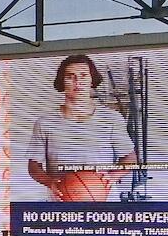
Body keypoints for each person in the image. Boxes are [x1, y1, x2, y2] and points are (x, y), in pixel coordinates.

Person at [24, 53, 137, 201]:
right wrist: (49, 181)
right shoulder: (45, 122)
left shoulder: (112, 118)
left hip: (104, 201)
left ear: (92, 80)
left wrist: (113, 175)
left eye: (83, 75)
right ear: (62, 82)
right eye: (70, 76)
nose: (77, 82)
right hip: (61, 202)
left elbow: (130, 158)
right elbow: (33, 166)